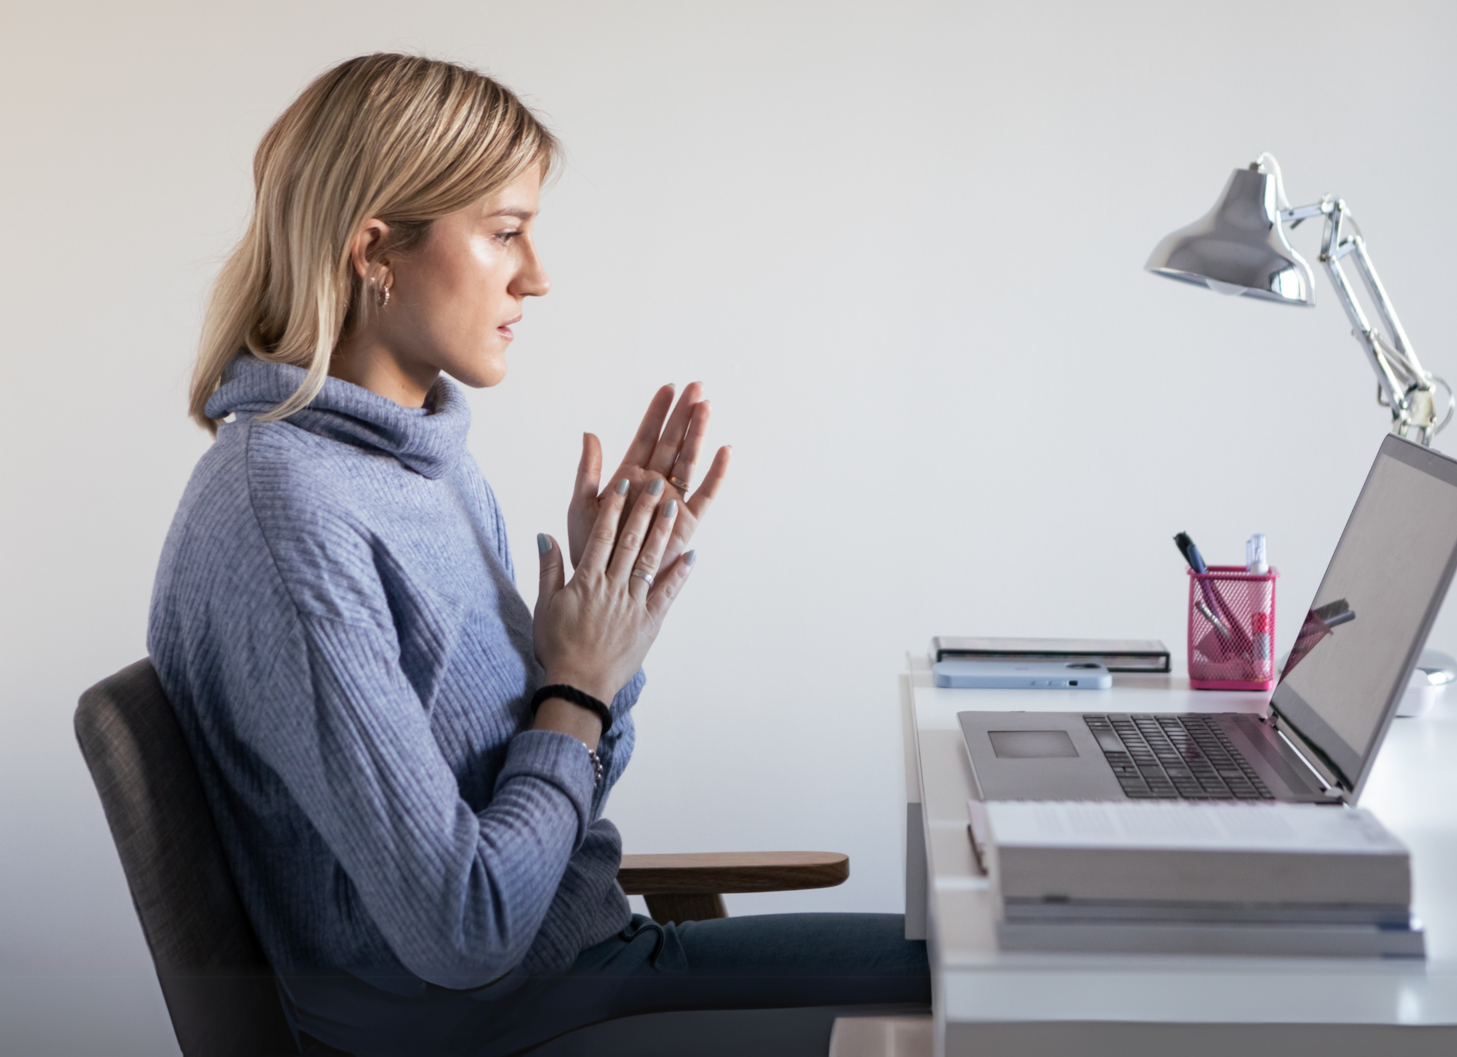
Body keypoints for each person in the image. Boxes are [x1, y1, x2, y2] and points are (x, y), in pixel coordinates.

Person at [148, 54, 929, 1056]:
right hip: (499, 1028)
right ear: (375, 248)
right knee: (1013, 1007)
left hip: (588, 971)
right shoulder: (289, 511)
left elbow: (557, 797)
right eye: (506, 231)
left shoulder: (421, 464)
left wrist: (612, 629)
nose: (538, 275)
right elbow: (462, 927)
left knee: (998, 966)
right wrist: (577, 689)